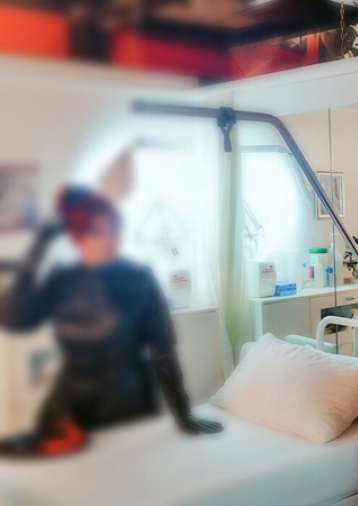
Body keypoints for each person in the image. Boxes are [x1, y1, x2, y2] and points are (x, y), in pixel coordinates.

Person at [0, 186, 222, 458]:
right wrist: (38, 249)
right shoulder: (61, 281)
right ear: (77, 237)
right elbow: (12, 318)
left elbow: (163, 350)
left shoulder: (140, 279)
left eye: (113, 229)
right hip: (69, 411)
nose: (108, 239)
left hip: (128, 407)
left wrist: (183, 413)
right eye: (96, 231)